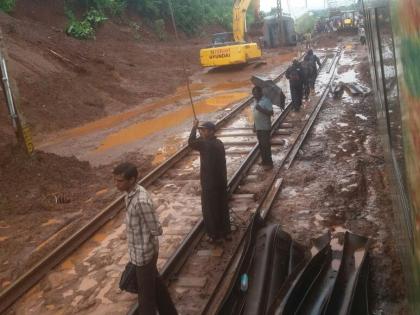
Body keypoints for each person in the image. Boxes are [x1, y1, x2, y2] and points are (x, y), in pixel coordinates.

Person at [113, 162, 178, 315]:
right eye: (115, 180)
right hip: (138, 253)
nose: (116, 184)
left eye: (119, 181)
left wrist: (143, 241)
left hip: (144, 255)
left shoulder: (140, 201)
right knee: (156, 286)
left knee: (146, 298)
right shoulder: (129, 195)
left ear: (132, 180)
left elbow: (157, 229)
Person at [188, 120, 231, 242]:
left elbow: (191, 143)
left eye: (204, 130)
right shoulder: (219, 143)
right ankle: (226, 232)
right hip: (221, 182)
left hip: (209, 184)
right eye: (201, 130)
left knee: (209, 210)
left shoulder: (205, 144)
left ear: (212, 132)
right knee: (222, 207)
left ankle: (213, 235)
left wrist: (194, 127)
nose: (201, 132)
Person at [252, 86, 276, 170]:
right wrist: (254, 125)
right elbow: (255, 114)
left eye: (256, 93)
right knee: (261, 145)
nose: (254, 95)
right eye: (253, 93)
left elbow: (271, 112)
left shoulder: (266, 101)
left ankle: (269, 163)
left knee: (266, 145)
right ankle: (264, 161)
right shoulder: (255, 101)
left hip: (265, 127)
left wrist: (261, 109)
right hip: (258, 127)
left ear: (260, 93)